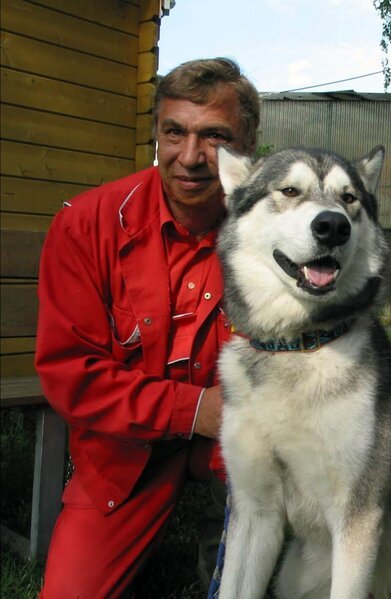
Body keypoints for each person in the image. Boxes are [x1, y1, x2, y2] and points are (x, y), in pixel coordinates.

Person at [34, 57, 261, 597]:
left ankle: (229, 547)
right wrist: (195, 410)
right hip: (123, 448)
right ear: (155, 133)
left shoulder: (268, 230)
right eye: (174, 132)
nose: (190, 157)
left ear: (246, 148)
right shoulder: (87, 224)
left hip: (235, 446)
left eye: (214, 138)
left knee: (268, 576)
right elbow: (73, 377)